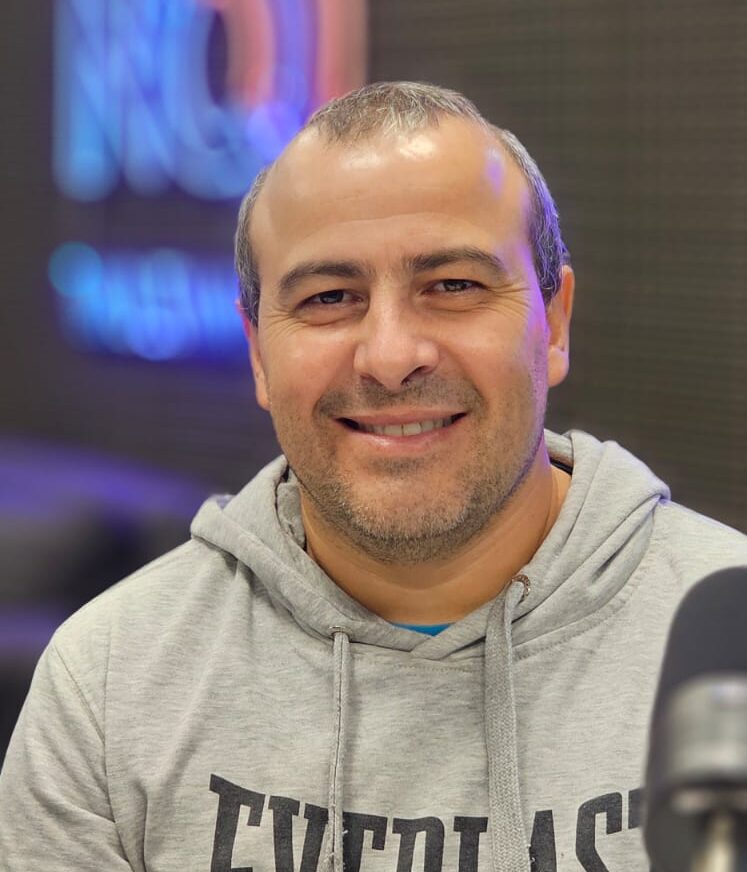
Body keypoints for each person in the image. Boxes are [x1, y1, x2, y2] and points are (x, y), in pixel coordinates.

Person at [0, 81, 744, 872]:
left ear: (552, 322)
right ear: (257, 352)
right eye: (329, 298)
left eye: (452, 286)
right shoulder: (109, 679)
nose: (390, 357)